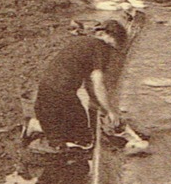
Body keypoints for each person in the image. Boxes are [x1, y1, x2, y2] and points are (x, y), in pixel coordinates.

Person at [32, 20, 128, 151]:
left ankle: (37, 126)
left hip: (46, 87)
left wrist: (101, 107)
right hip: (60, 93)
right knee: (80, 140)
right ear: (113, 39)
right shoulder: (102, 48)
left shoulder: (84, 42)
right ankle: (43, 134)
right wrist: (110, 111)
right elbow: (97, 83)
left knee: (70, 124)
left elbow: (90, 84)